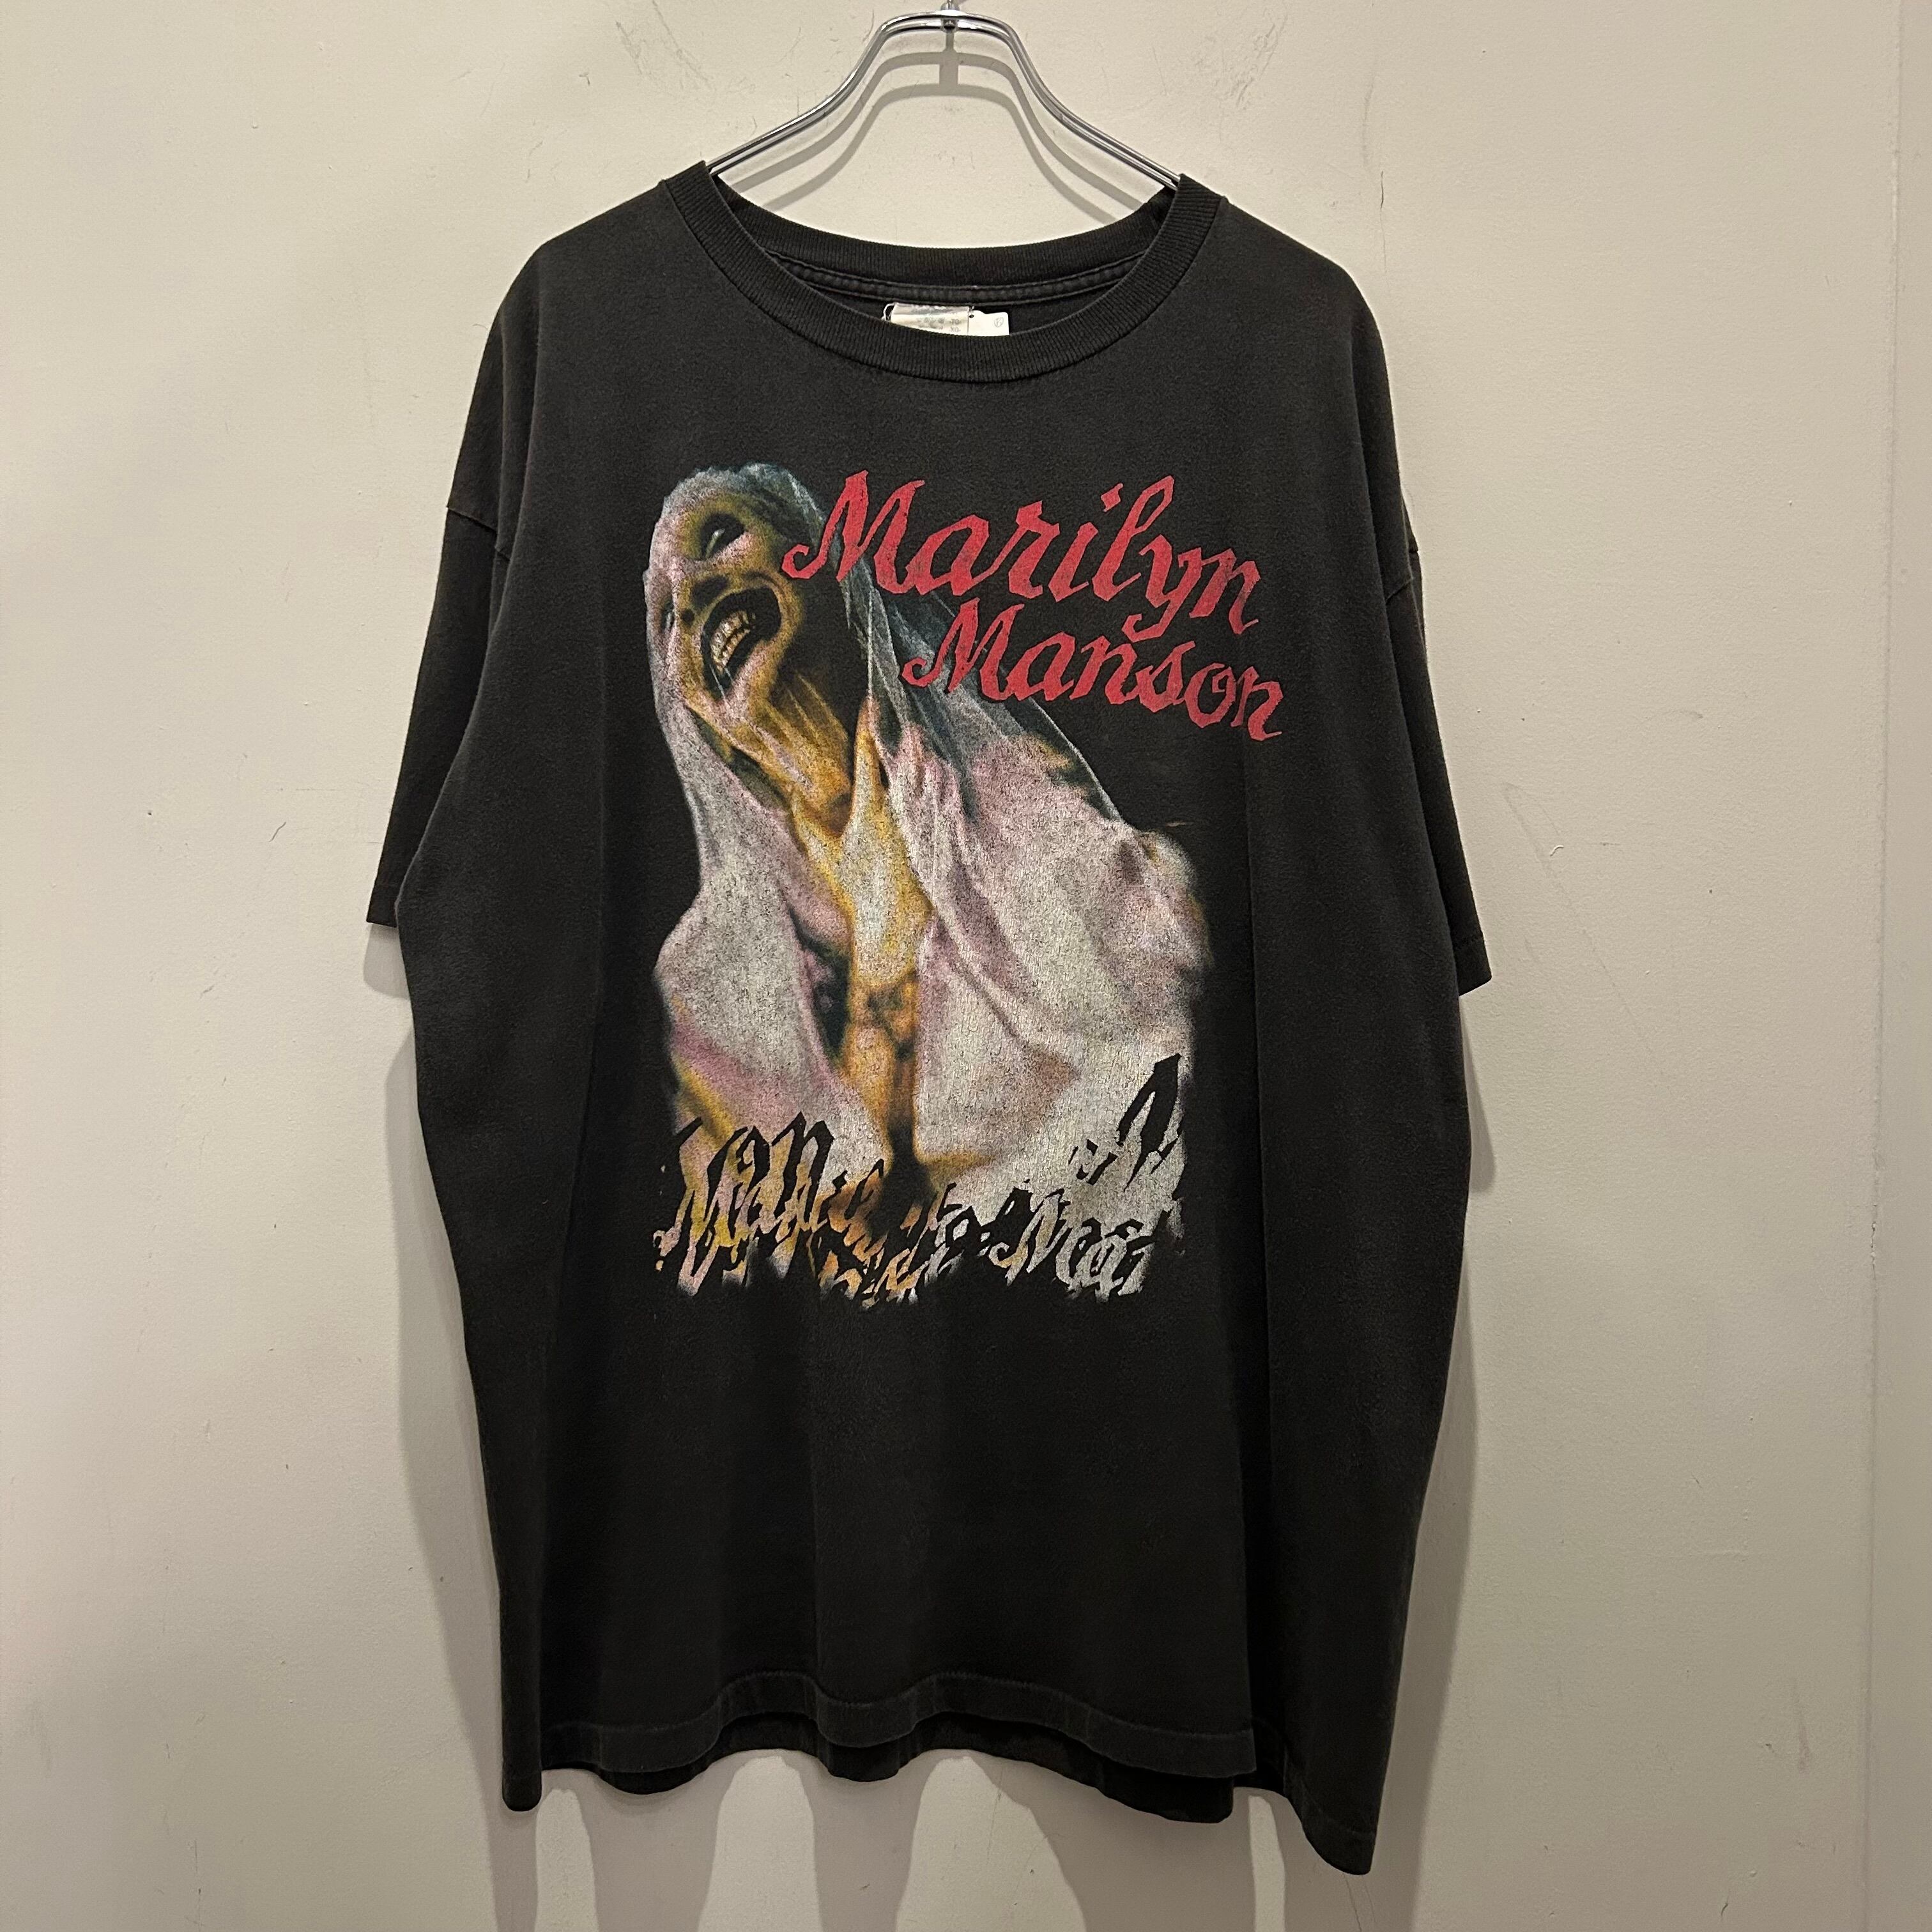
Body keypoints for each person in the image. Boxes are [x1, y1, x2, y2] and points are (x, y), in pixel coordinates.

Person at [642, 463, 1209, 1297]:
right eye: (665, 615)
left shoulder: (1031, 809)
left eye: (720, 536)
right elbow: (787, 1258)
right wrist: (884, 938)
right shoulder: (704, 982)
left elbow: (1157, 1108)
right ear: (704, 729)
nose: (691, 594)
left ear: (828, 572)